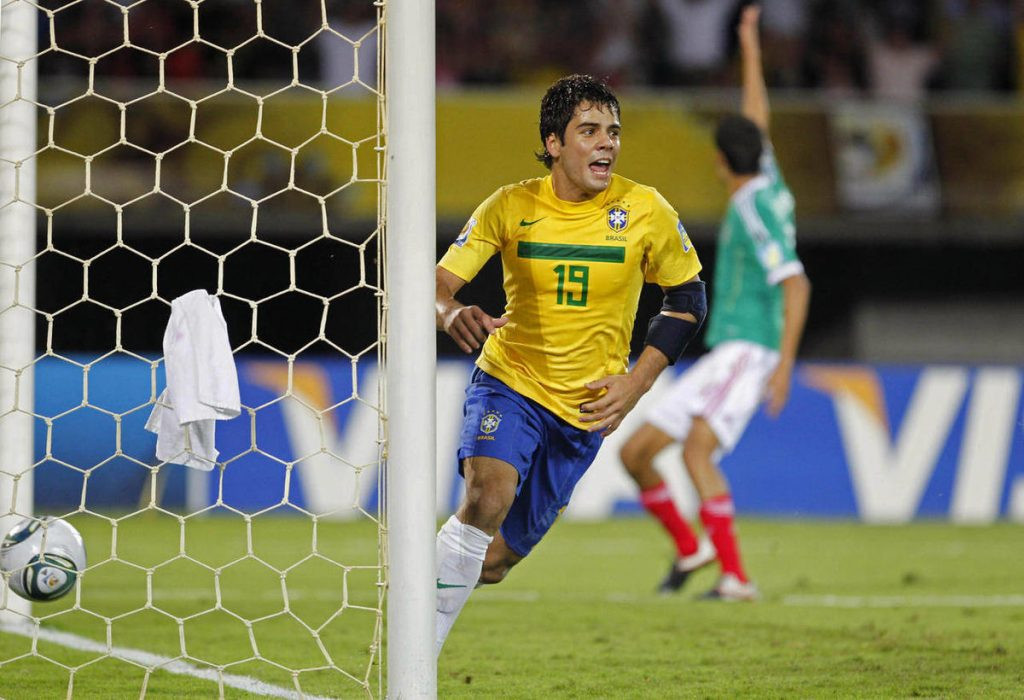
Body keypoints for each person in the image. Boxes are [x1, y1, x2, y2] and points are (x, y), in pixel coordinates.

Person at [434, 74, 706, 655]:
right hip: (510, 381)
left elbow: (687, 299)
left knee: (492, 562)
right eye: (589, 131)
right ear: (553, 142)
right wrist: (449, 310)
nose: (607, 143)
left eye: (613, 132)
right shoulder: (511, 205)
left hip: (584, 411)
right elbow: (437, 284)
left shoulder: (645, 209)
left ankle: (416, 585)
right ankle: (414, 667)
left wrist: (636, 383)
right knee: (487, 497)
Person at [619, 4, 811, 601]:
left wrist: (783, 365)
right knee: (637, 453)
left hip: (749, 348)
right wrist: (748, 46)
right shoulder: (770, 182)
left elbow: (796, 283)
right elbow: (756, 117)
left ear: (719, 161)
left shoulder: (752, 208)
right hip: (730, 350)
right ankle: (692, 548)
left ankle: (735, 577)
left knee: (698, 451)